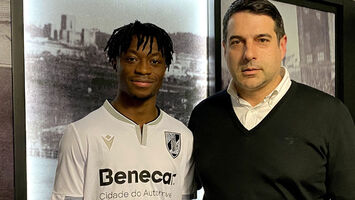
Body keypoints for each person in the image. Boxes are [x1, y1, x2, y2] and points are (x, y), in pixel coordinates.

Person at [188, 0, 355, 199]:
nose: (249, 54)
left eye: (262, 40)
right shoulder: (203, 116)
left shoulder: (330, 114)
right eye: (237, 42)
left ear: (282, 46)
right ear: (225, 49)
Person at [51, 20, 196, 200]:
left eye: (154, 61)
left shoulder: (183, 136)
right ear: (114, 62)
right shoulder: (80, 134)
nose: (143, 69)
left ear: (165, 67)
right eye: (132, 59)